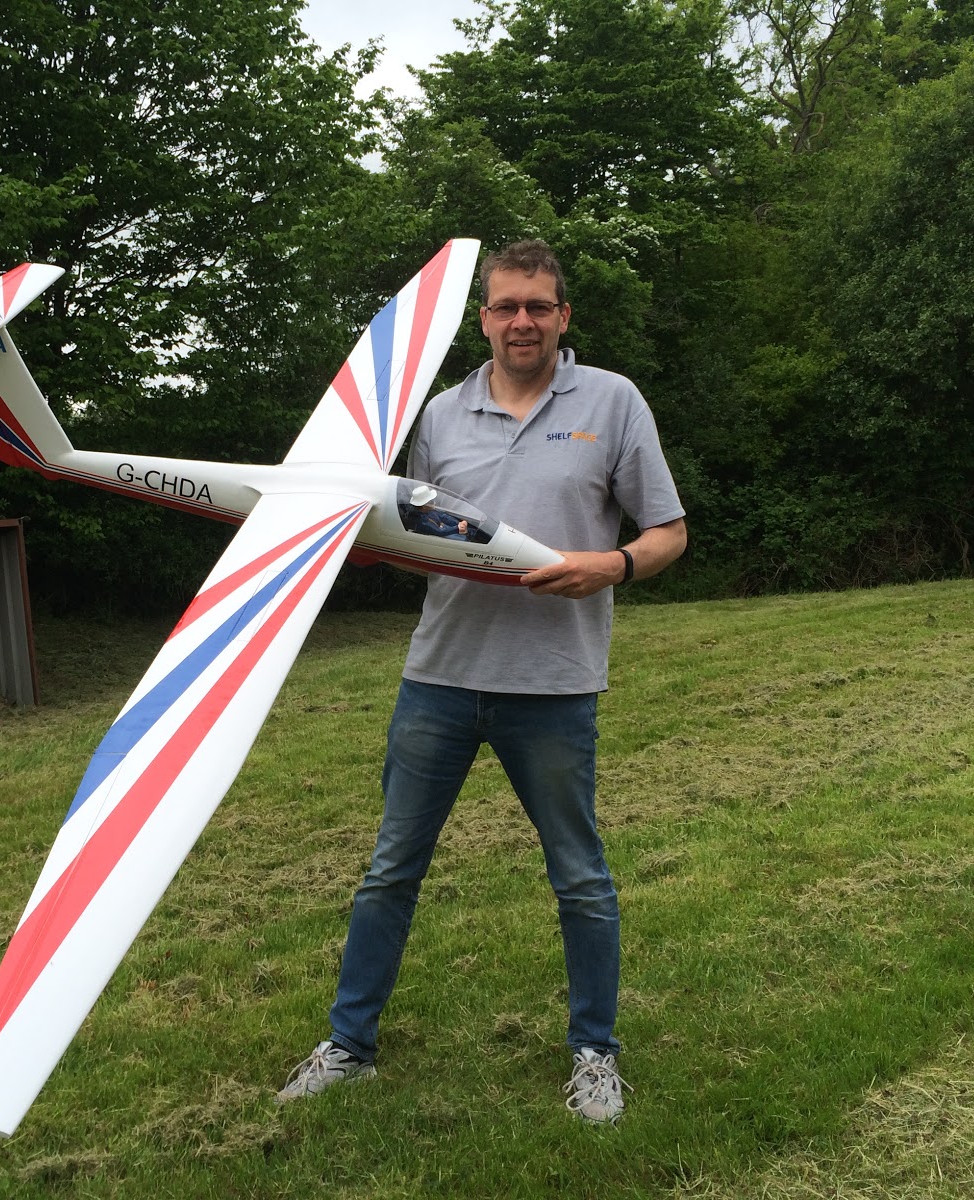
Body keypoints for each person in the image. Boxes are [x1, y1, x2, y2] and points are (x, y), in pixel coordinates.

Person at [277, 240, 686, 1123]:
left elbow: (667, 532)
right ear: (485, 318)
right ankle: (349, 1047)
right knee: (390, 870)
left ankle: (595, 1055)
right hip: (440, 678)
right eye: (506, 307)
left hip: (555, 684)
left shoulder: (612, 402)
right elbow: (412, 530)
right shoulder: (439, 415)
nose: (523, 322)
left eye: (539, 306)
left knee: (579, 877)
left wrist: (609, 564)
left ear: (563, 316)